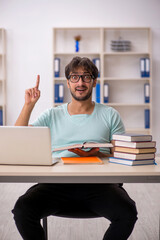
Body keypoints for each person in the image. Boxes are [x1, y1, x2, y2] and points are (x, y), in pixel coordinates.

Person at [12, 56, 138, 240]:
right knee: (22, 210)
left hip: (100, 186)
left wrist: (101, 153)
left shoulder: (110, 114)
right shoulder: (52, 114)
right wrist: (28, 106)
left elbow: (121, 152)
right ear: (68, 83)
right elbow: (18, 139)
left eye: (86, 77)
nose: (80, 82)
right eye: (74, 77)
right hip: (55, 185)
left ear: (94, 81)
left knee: (127, 212)